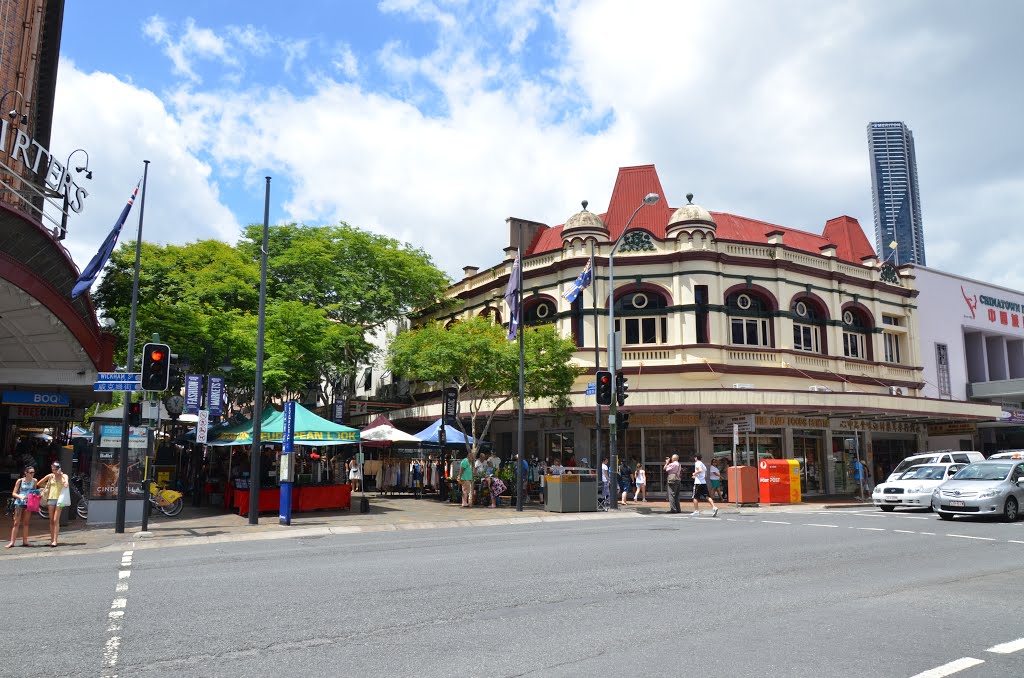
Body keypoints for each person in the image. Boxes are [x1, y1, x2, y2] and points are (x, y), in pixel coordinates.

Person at [36, 461, 70, 547]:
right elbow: (39, 483)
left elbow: (66, 485)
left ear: (59, 468)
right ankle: (52, 540)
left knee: (56, 519)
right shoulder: (50, 476)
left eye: (56, 468)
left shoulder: (64, 475)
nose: (54, 470)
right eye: (53, 468)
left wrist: (61, 475)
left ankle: (55, 540)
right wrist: (46, 487)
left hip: (61, 500)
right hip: (51, 498)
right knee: (51, 520)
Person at [6, 465, 36, 548]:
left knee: (26, 522)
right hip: (19, 501)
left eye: (33, 472)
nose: (32, 474)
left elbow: (34, 491)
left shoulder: (34, 481)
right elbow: (14, 493)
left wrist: (36, 495)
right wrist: (20, 496)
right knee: (16, 522)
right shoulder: (20, 481)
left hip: (28, 502)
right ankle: (12, 542)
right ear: (25, 473)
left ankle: (25, 541)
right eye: (30, 472)